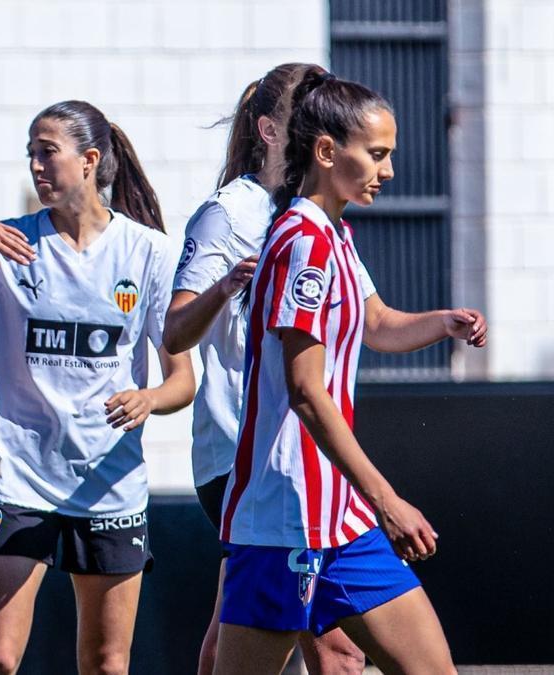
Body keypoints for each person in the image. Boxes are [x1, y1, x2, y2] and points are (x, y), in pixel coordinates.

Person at [213, 71, 485, 675]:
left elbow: (377, 323)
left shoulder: (334, 233)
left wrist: (443, 323)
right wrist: (387, 500)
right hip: (286, 518)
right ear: (328, 151)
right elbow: (307, 393)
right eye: (378, 154)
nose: (387, 171)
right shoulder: (303, 242)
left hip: (341, 521)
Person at [0, 100, 196, 675]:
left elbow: (182, 381)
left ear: (91, 160)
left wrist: (148, 399)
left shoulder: (146, 252)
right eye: (30, 155)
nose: (36, 166)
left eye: (47, 152)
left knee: (105, 662)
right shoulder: (4, 246)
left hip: (107, 483)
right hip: (16, 477)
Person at [162, 63, 369, 675]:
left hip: (301, 461)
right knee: (334, 647)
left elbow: (373, 315)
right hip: (244, 459)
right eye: (306, 119)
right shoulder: (230, 213)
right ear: (270, 130)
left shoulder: (320, 217)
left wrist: (441, 322)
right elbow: (175, 329)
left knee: (240, 642)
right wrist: (225, 286)